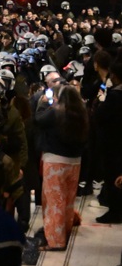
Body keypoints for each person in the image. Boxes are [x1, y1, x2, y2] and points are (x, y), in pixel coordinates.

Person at [36, 83, 91, 241]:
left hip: (55, 162)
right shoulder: (82, 114)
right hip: (75, 162)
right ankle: (65, 231)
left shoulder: (55, 113)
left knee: (54, 202)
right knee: (68, 201)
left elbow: (38, 120)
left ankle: (55, 240)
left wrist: (43, 104)